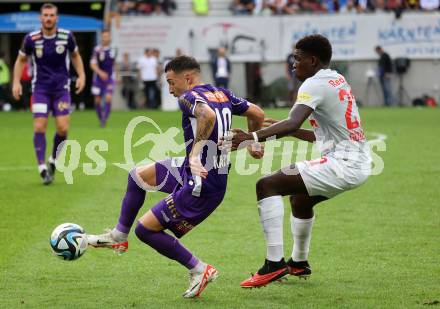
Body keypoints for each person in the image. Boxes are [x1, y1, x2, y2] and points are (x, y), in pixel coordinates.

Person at [87, 55, 265, 298]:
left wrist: (194, 153)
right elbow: (257, 113)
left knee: (146, 231)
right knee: (137, 176)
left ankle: (199, 269)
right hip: (196, 170)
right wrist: (255, 142)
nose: (170, 90)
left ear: (188, 78)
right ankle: (118, 236)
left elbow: (208, 117)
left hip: (202, 182)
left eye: (171, 82)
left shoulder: (188, 97)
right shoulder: (222, 93)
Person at [221, 34, 371, 288]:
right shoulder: (336, 79)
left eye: (297, 59)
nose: (293, 64)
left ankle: (274, 264)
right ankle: (298, 263)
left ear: (312, 61)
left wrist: (251, 137)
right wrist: (284, 130)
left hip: (344, 164)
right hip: (357, 161)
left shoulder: (313, 85)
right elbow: (315, 134)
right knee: (300, 199)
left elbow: (293, 121)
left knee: (267, 185)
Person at [12, 3, 85, 185]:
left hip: (61, 89)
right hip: (40, 90)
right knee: (39, 126)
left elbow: (75, 56)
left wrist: (82, 75)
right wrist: (16, 82)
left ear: (57, 18)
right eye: (45, 15)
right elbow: (20, 60)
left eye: (51, 15)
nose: (48, 18)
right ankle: (42, 168)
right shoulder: (32, 38)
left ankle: (53, 160)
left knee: (63, 128)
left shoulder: (66, 36)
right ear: (40, 18)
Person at [90, 29, 118, 127]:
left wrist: (117, 75)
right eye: (104, 36)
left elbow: (115, 63)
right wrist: (100, 72)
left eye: (107, 36)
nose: (106, 38)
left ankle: (104, 120)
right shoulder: (97, 49)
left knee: (108, 98)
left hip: (109, 78)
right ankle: (100, 118)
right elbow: (92, 64)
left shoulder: (113, 49)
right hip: (98, 79)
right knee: (97, 100)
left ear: (110, 37)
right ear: (101, 37)